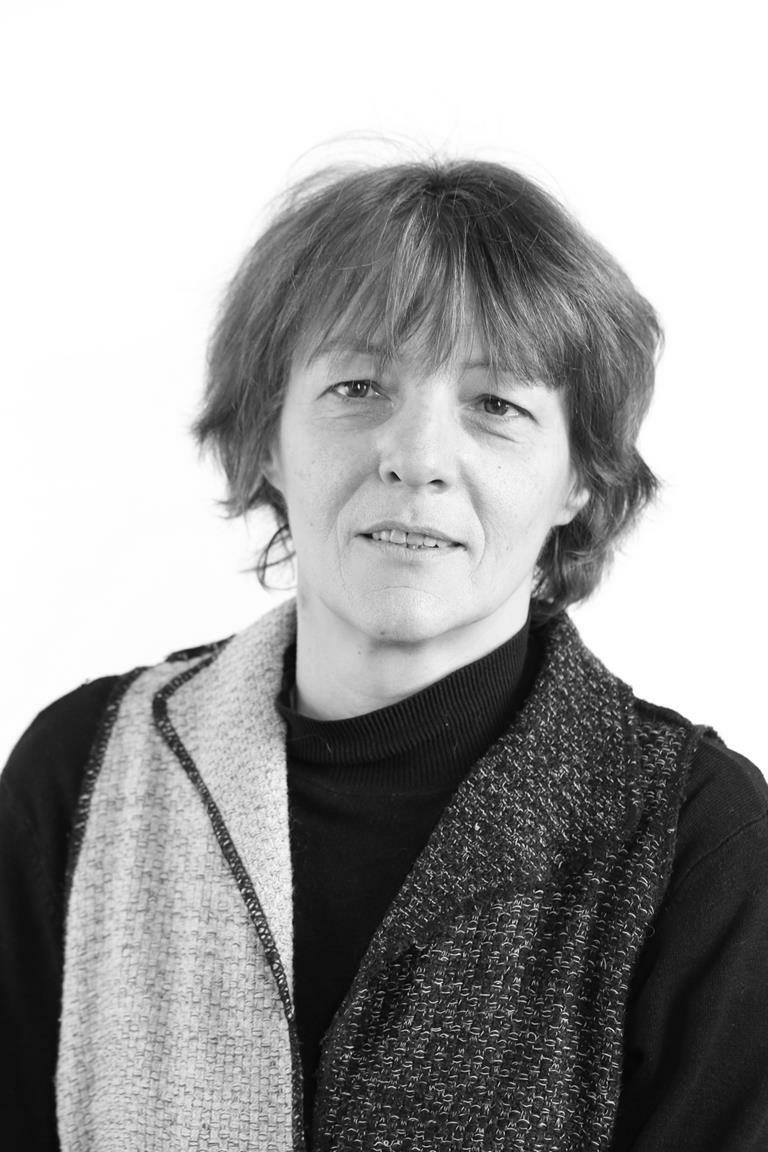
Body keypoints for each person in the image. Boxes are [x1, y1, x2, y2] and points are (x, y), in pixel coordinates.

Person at [2, 155, 767, 1152]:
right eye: (358, 385)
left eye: (497, 405)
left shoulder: (697, 839)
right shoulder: (83, 774)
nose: (418, 457)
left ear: (580, 477)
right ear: (266, 437)